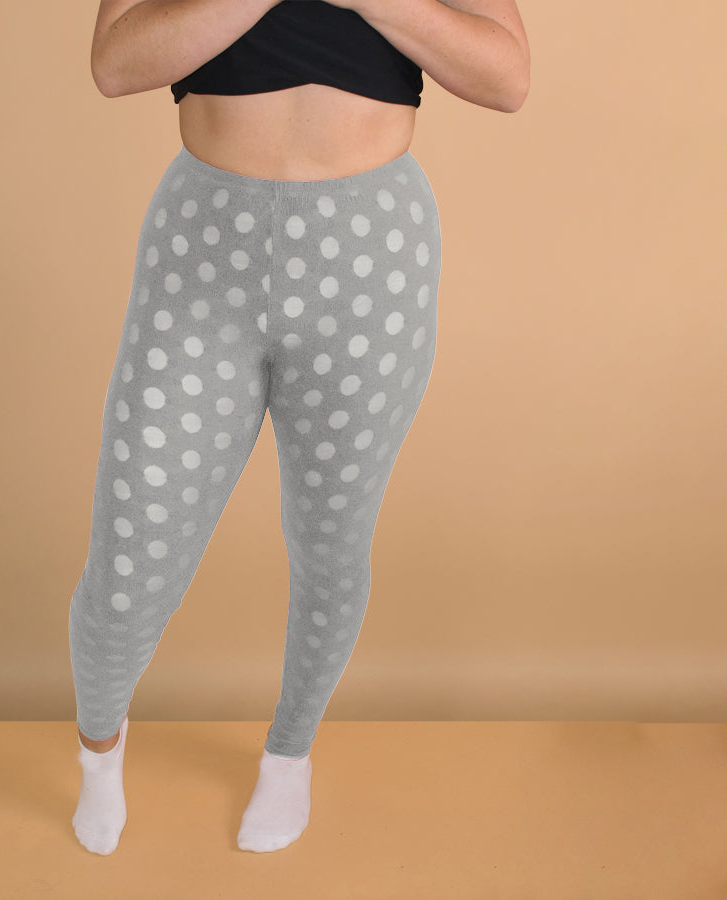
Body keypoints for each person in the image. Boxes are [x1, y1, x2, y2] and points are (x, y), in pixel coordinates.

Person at [69, 0, 530, 856]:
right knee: (132, 543)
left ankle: (290, 753)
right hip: (205, 244)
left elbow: (507, 78)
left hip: (371, 253)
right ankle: (98, 753)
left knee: (332, 539)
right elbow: (115, 63)